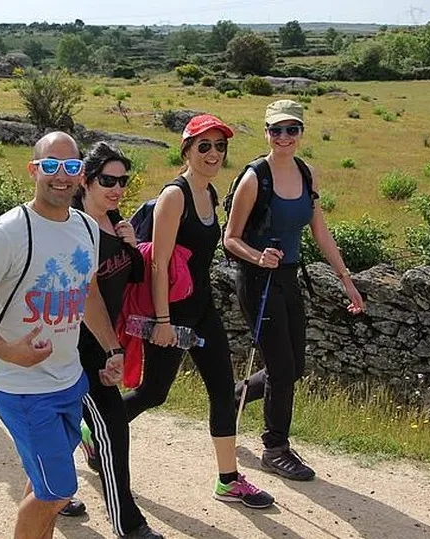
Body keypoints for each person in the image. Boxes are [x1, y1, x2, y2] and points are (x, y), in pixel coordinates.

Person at [0, 131, 126, 539]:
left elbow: (88, 293)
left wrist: (111, 348)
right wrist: (7, 351)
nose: (60, 176)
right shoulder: (7, 232)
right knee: (58, 491)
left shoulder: (84, 226)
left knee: (42, 483)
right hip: (23, 388)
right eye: (50, 166)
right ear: (34, 170)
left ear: (81, 174)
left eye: (70, 167)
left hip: (70, 380)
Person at [123, 114, 275, 509]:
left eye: (219, 146)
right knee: (153, 393)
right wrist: (161, 322)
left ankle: (229, 479)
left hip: (202, 308)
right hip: (171, 311)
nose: (213, 153)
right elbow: (159, 263)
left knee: (224, 392)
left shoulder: (210, 193)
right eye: (203, 146)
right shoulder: (176, 196)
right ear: (187, 150)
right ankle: (96, 431)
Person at [224, 99, 364, 481]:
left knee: (294, 367)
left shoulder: (306, 173)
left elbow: (319, 230)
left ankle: (231, 398)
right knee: (282, 368)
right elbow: (230, 239)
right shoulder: (255, 178)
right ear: (266, 132)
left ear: (301, 133)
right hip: (257, 281)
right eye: (276, 130)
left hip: (288, 278)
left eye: (291, 130)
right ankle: (275, 448)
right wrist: (258, 257)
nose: (283, 137)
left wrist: (346, 280)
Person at [71, 142, 164, 539]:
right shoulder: (74, 226)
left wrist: (131, 245)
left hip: (103, 339)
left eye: (123, 181)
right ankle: (128, 522)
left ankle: (52, 492)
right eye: (108, 180)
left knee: (68, 421)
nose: (117, 188)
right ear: (85, 181)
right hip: (73, 343)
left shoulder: (115, 221)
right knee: (111, 426)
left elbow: (136, 276)